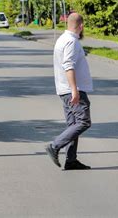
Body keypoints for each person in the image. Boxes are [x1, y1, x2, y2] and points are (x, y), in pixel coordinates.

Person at [46, 13, 93, 170]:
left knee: (73, 124)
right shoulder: (71, 42)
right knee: (83, 121)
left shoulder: (62, 39)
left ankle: (71, 160)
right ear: (81, 26)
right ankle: (55, 145)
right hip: (72, 90)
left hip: (64, 89)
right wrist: (75, 90)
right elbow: (68, 65)